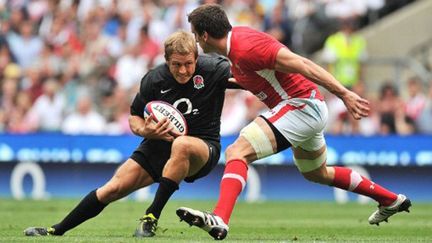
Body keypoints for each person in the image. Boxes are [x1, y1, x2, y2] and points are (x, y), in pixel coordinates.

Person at [177, 4, 411, 240]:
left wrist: (344, 93)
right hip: (306, 110)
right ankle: (390, 200)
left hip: (301, 107)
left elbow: (304, 64)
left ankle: (220, 218)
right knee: (317, 173)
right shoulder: (237, 50)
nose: (196, 42)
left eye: (195, 35)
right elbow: (253, 78)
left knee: (237, 151)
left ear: (204, 35)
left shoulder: (247, 46)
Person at [24, 30, 234, 238]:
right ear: (166, 60)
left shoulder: (213, 69)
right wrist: (145, 130)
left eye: (188, 63)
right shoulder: (154, 79)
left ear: (197, 58)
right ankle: (56, 230)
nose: (183, 70)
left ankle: (151, 216)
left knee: (182, 145)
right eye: (176, 64)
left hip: (203, 147)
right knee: (112, 188)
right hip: (158, 144)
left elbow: (247, 79)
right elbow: (134, 116)